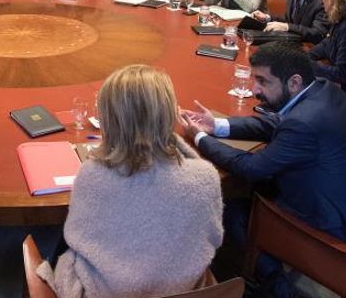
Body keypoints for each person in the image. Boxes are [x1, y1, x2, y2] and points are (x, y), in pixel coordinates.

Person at [179, 42, 346, 297]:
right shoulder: (323, 92)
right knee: (259, 191)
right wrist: (217, 125)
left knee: (233, 211)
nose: (254, 89)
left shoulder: (304, 123)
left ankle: (275, 290)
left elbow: (250, 167)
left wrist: (201, 139)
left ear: (293, 82)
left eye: (262, 81)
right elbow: (276, 123)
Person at [37, 65, 223, 298]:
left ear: (109, 119)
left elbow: (75, 237)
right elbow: (214, 239)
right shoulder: (206, 177)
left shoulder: (92, 175)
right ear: (169, 113)